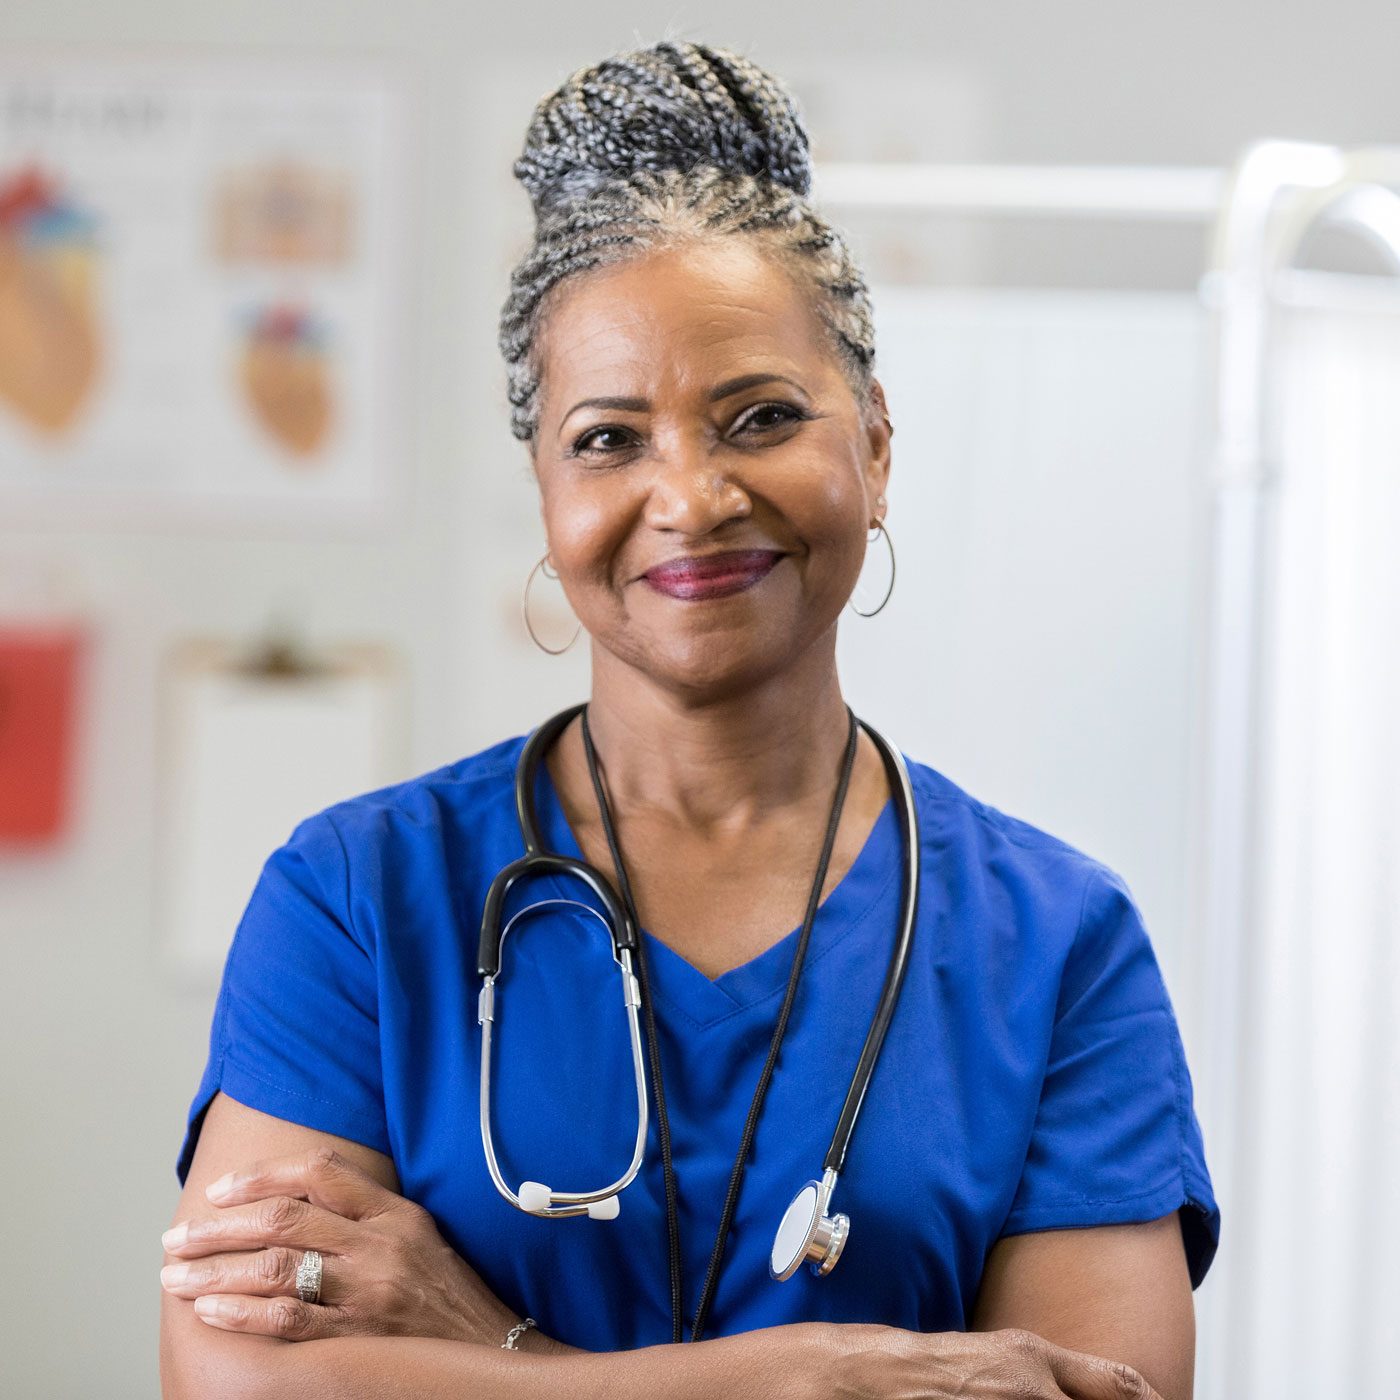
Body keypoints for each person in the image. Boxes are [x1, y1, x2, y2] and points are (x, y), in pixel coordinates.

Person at [159, 40, 1219, 1400]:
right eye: (609, 439)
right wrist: (802, 1377)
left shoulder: (1056, 945)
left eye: (760, 416)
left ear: (877, 446)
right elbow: (236, 1387)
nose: (693, 495)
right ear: (546, 489)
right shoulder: (361, 899)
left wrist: (486, 1343)